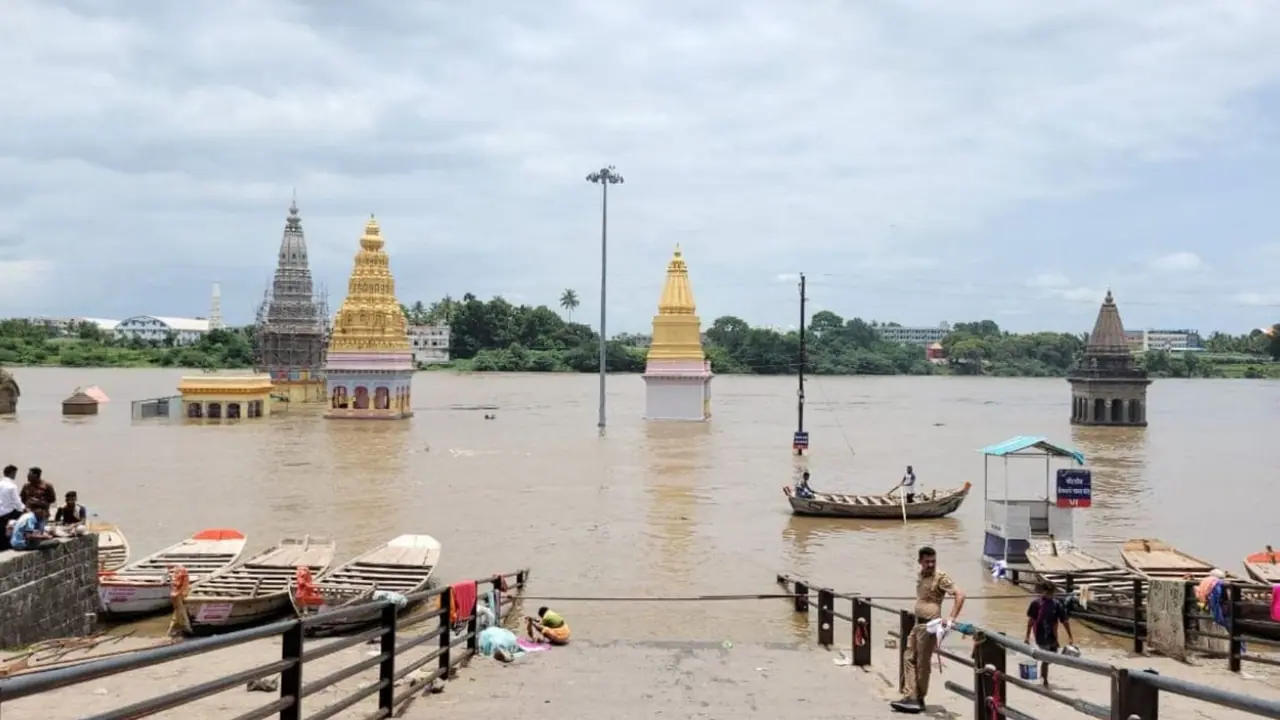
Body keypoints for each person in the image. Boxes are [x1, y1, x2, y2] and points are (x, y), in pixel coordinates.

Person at [892, 546, 966, 714]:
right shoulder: (921, 575)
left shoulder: (940, 577)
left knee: (922, 663)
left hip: (930, 625)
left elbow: (960, 594)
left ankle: (918, 698)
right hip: (917, 624)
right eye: (927, 561)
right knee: (908, 657)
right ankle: (911, 695)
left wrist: (951, 617)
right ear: (920, 562)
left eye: (933, 561)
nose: (931, 564)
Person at [1024, 580, 1074, 687]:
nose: (1050, 594)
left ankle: (1043, 673)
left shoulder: (1057, 605)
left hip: (1052, 635)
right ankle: (1044, 680)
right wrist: (1027, 636)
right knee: (1047, 657)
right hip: (1040, 634)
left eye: (1052, 592)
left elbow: (1065, 621)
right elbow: (1031, 622)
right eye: (1048, 592)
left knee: (1053, 655)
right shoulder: (1036, 603)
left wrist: (1070, 636)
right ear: (1043, 591)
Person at [0, 465, 23, 551]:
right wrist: (24, 510)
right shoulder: (12, 486)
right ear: (12, 473)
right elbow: (17, 502)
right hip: (8, 514)